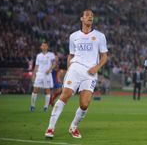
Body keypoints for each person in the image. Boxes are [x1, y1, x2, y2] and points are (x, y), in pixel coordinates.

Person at [45, 9, 108, 139]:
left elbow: (104, 57)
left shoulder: (100, 36)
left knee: (84, 105)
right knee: (65, 95)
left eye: (92, 16)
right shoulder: (73, 36)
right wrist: (69, 69)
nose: (90, 17)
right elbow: (71, 55)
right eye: (87, 15)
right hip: (75, 69)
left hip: (90, 73)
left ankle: (73, 126)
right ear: (81, 19)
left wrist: (97, 67)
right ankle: (50, 128)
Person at [30, 42, 56, 112]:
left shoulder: (51, 55)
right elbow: (36, 66)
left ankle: (46, 107)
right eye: (43, 46)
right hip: (39, 74)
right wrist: (34, 75)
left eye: (45, 46)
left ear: (47, 47)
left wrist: (49, 69)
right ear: (41, 47)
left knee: (47, 91)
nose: (44, 47)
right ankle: (32, 105)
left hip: (47, 75)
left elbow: (54, 64)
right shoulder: (38, 56)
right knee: (35, 89)